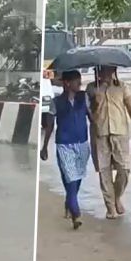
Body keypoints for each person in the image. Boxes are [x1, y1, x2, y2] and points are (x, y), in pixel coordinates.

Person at [86, 66, 131, 219]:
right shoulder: (91, 89)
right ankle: (110, 207)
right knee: (104, 172)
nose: (105, 73)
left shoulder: (122, 87)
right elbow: (88, 114)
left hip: (120, 133)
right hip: (100, 134)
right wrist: (96, 103)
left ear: (113, 70)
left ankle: (117, 197)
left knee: (124, 170)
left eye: (108, 70)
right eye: (102, 70)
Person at [40, 70, 91, 230]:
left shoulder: (84, 98)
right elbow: (49, 125)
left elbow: (92, 117)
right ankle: (76, 214)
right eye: (77, 81)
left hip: (82, 144)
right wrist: (44, 147)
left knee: (77, 178)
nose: (80, 84)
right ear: (67, 83)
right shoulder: (57, 102)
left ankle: (70, 202)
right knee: (70, 178)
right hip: (64, 144)